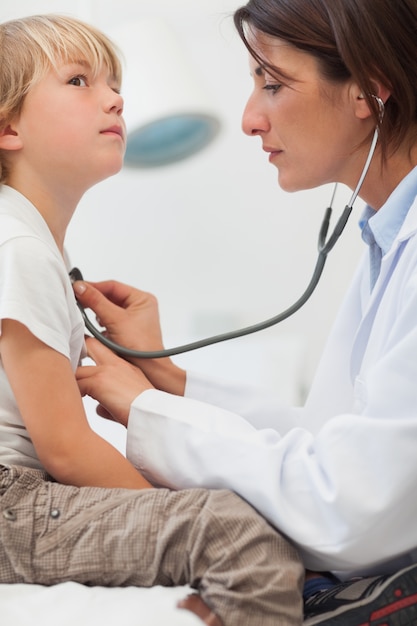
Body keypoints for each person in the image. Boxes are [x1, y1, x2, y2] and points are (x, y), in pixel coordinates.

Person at [73, 0, 417, 624]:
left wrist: (142, 407)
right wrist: (167, 378)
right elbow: (329, 438)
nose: (249, 119)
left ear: (368, 89)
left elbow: (351, 508)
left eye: (273, 84)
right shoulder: (387, 235)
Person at [0, 13, 306, 626]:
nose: (115, 97)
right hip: (12, 504)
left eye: (114, 82)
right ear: (8, 126)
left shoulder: (33, 246)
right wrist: (177, 512)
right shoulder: (19, 248)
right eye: (80, 81)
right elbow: (64, 447)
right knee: (231, 531)